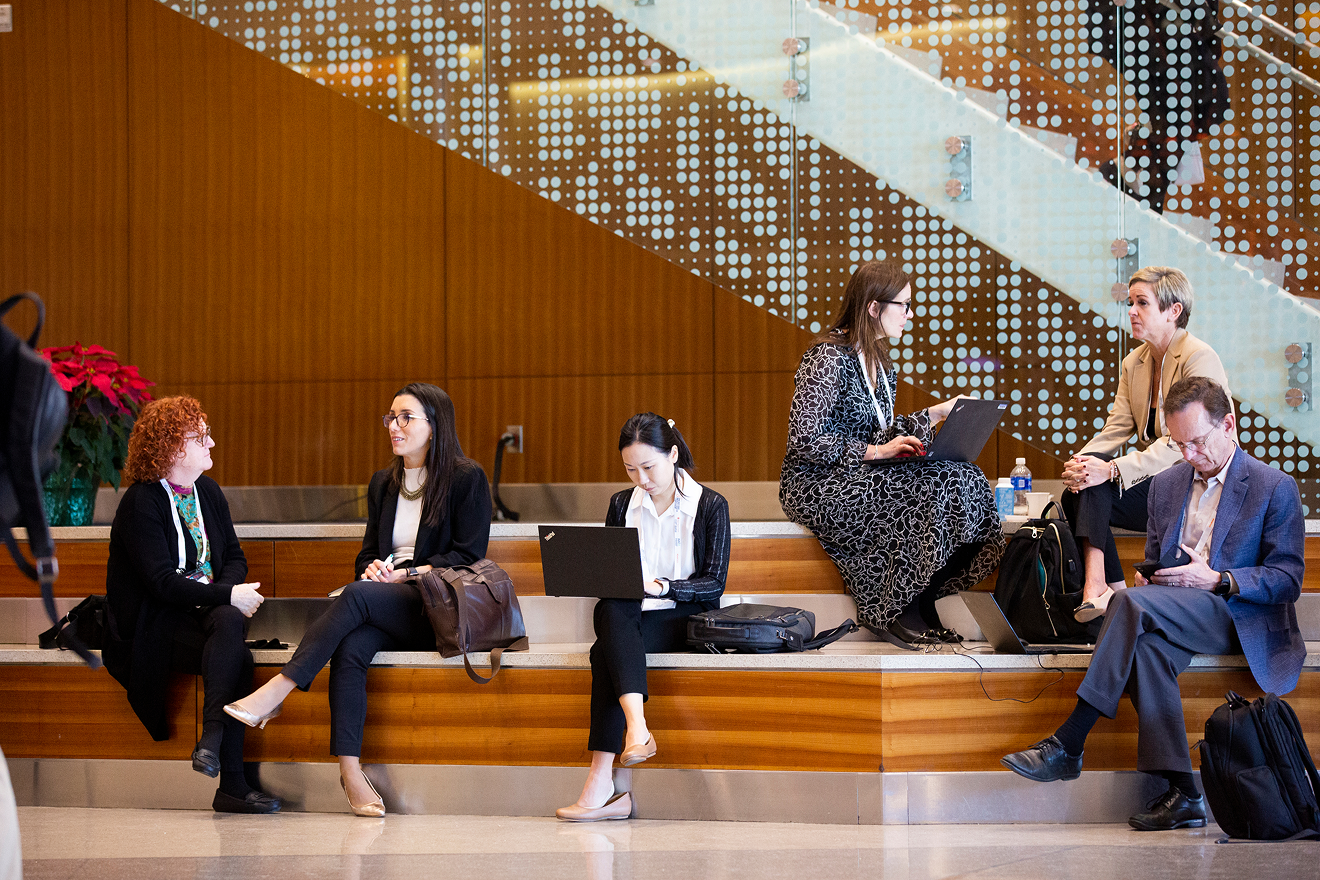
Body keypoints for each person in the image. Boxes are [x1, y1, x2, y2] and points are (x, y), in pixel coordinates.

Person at [1001, 376, 1305, 831]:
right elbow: (1154, 557)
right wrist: (1151, 573)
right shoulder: (1168, 484)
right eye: (1179, 444)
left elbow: (1287, 578)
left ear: (1230, 425)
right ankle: (1184, 792)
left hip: (1235, 612)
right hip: (1175, 606)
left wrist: (1220, 579)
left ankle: (1071, 740)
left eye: (1197, 442)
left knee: (1127, 604)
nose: (1188, 455)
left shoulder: (1273, 487)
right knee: (1145, 646)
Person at [224, 383, 491, 817]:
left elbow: (468, 556)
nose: (394, 426)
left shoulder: (466, 478)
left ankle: (277, 690)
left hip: (434, 606)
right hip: (384, 601)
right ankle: (351, 772)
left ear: (435, 425)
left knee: (357, 597)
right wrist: (372, 570)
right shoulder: (384, 483)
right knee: (351, 645)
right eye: (390, 417)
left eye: (406, 417)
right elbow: (368, 552)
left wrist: (400, 573)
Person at [779, 261, 1003, 648]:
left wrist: (936, 414)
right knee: (930, 487)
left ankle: (923, 594)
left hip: (862, 470)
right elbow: (804, 439)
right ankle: (894, 606)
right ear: (872, 307)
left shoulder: (881, 363)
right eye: (904, 305)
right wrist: (876, 450)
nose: (910, 315)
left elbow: (880, 432)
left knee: (963, 475)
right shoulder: (827, 358)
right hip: (814, 481)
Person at [102, 396, 279, 814]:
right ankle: (228, 777)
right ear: (172, 448)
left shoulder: (209, 492)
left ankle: (212, 744)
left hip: (204, 614)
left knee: (228, 625)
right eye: (202, 437)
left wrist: (227, 593)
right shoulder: (141, 503)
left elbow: (234, 557)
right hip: (152, 622)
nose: (212, 443)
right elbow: (162, 584)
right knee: (239, 657)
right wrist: (228, 597)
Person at [555, 413, 730, 822]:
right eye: (631, 469)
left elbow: (714, 583)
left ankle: (602, 780)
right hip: (633, 616)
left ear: (672, 454)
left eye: (648, 467)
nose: (641, 479)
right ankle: (637, 732)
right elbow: (609, 573)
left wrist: (666, 587)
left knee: (606, 651)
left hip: (685, 616)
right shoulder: (621, 503)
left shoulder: (710, 505)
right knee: (612, 607)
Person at [1063, 266, 1229, 623]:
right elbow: (1116, 428)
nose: (1132, 311)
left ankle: (1104, 589)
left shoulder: (1199, 357)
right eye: (1130, 303)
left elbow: (1182, 442)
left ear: (1174, 311)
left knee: (1100, 480)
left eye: (1142, 303)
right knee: (1079, 487)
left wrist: (1110, 469)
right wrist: (1083, 462)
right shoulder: (1133, 363)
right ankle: (1111, 590)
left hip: (1193, 480)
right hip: (1155, 482)